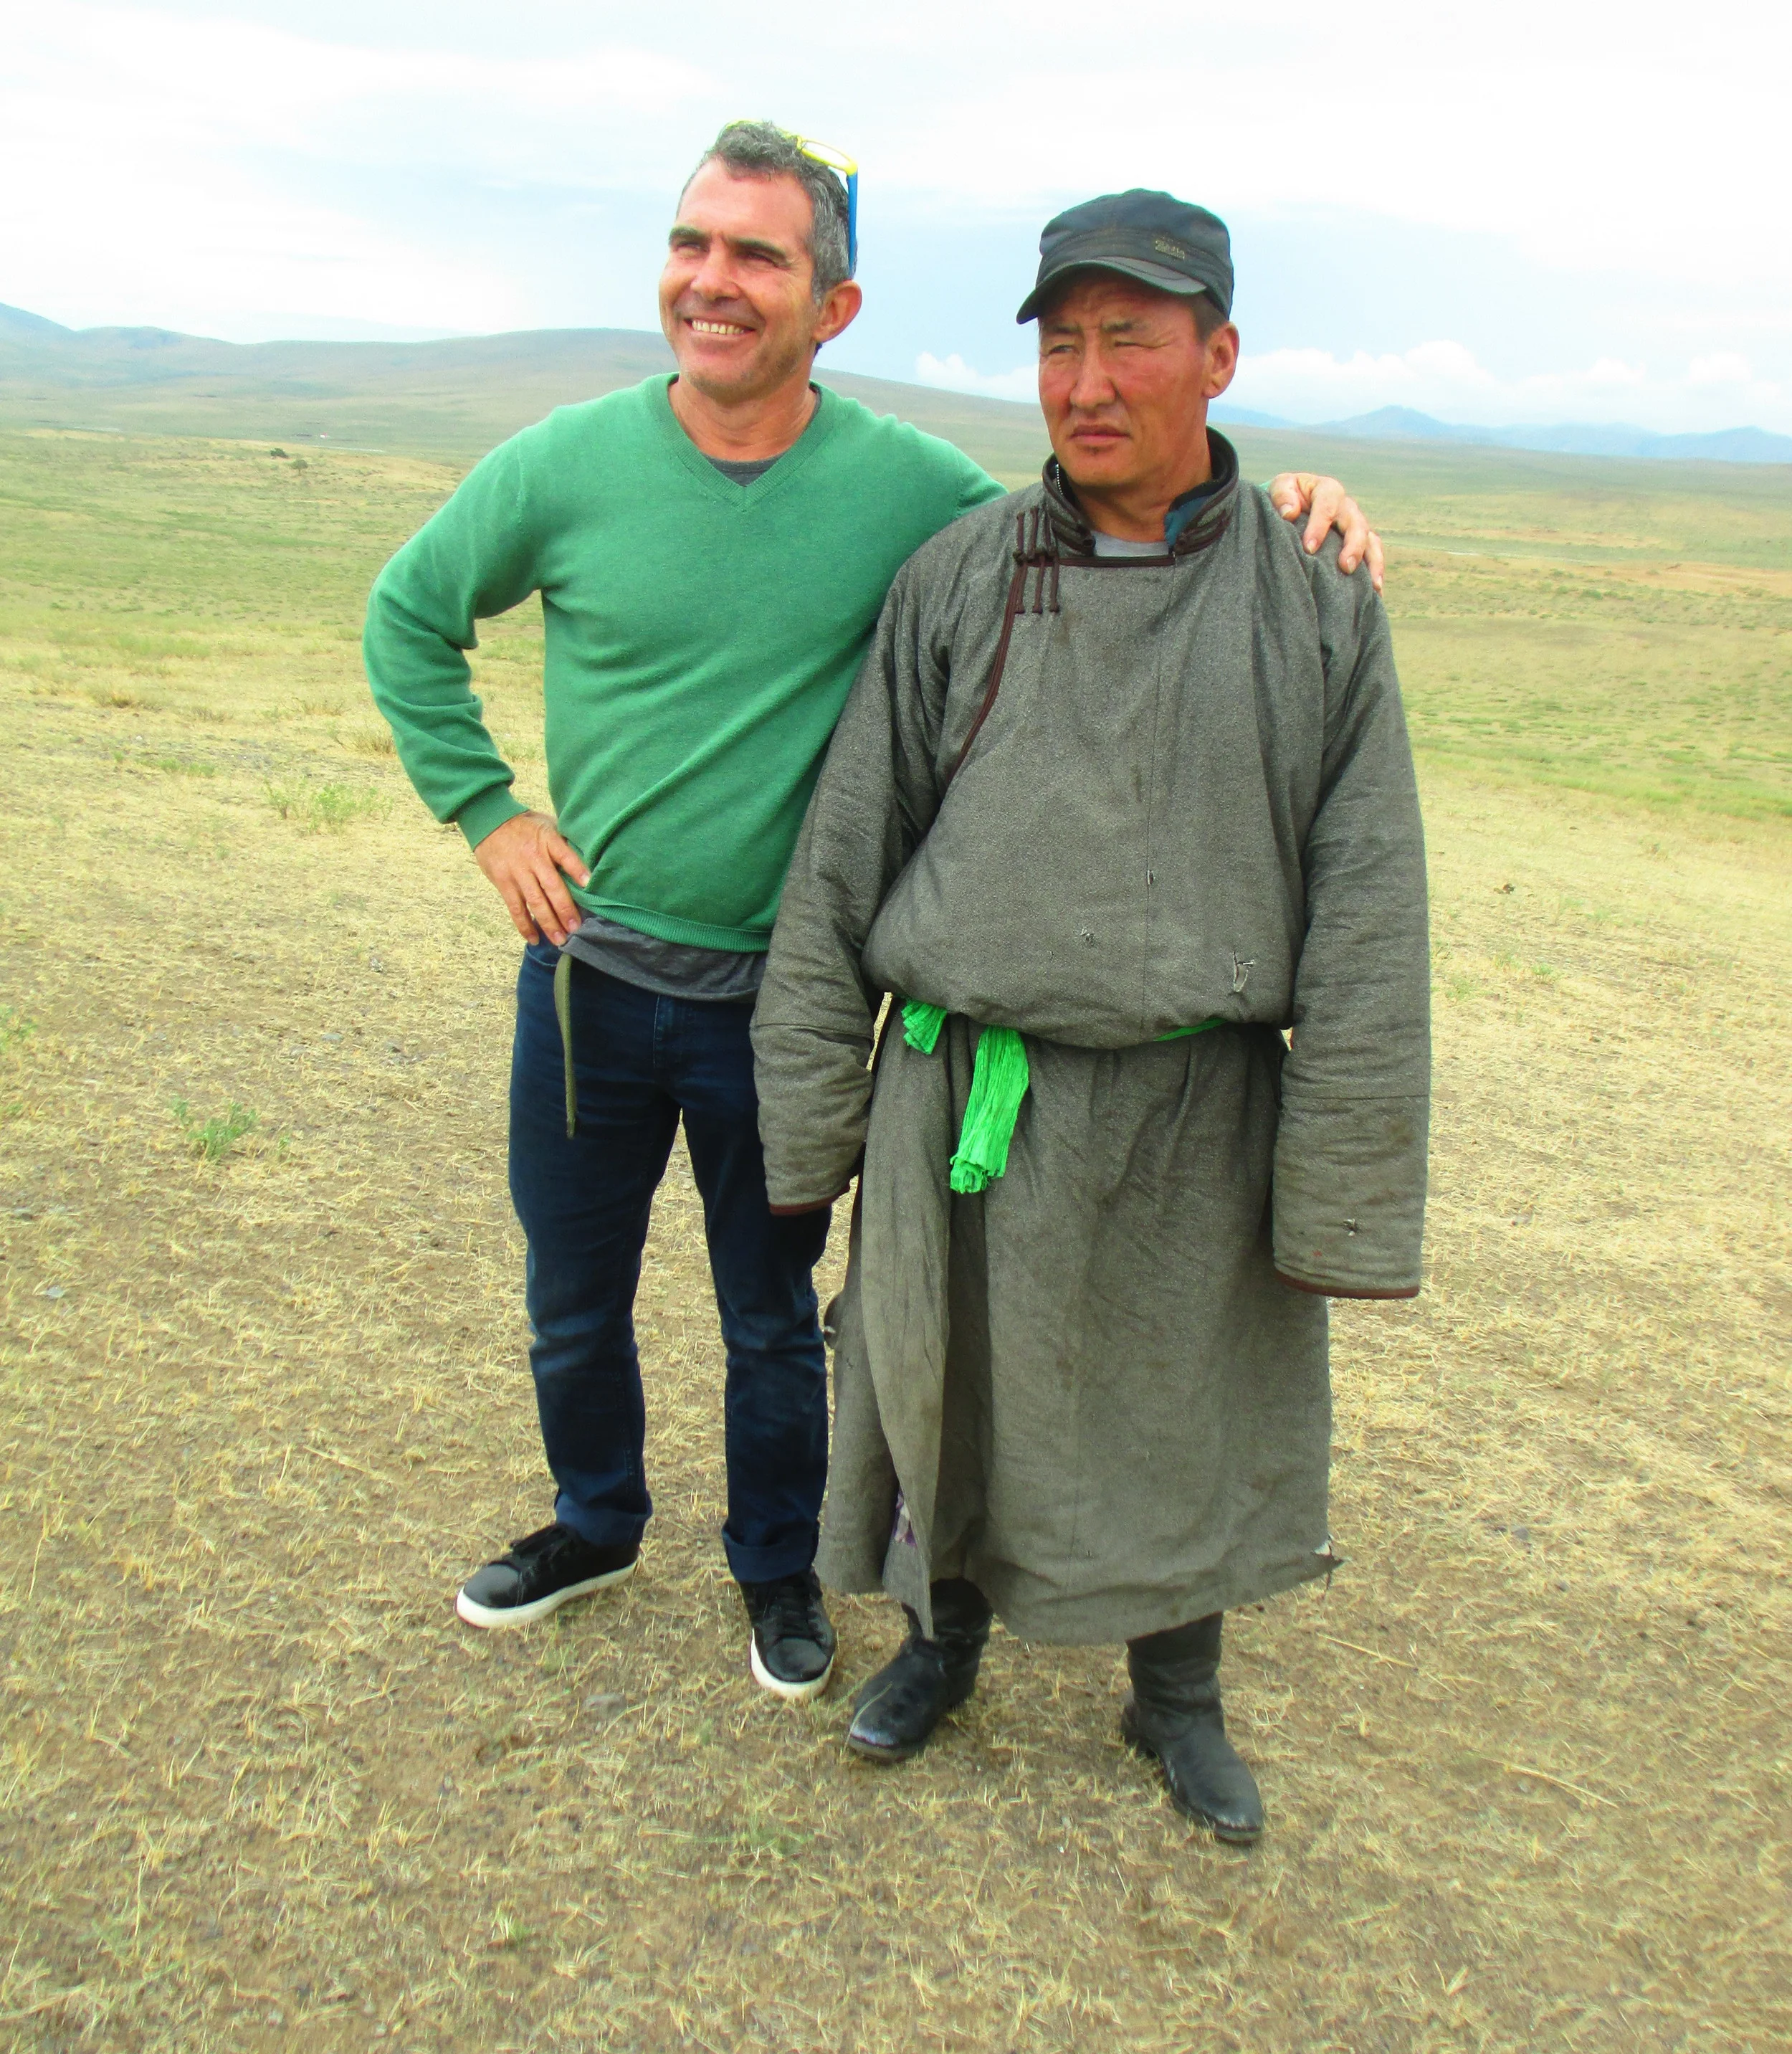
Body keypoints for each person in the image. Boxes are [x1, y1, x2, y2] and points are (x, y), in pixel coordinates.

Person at [365, 129, 1388, 1708]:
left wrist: (1292, 503)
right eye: (693, 243)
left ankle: (798, 1575)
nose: (714, 281)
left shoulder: (914, 496)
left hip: (812, 1001)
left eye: (758, 255)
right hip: (594, 981)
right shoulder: (576, 467)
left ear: (832, 307)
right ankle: (604, 1528)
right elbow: (408, 618)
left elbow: (1118, 533)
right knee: (597, 1304)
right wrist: (488, 810)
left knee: (793, 1325)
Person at [751, 189, 1429, 1836]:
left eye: (1131, 337)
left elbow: (1365, 916)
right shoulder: (956, 578)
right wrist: (805, 1133)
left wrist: (1335, 1198)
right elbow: (844, 863)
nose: (1088, 380)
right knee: (937, 1375)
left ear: (1217, 355)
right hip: (963, 1092)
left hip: (1191, 1107)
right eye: (1061, 344)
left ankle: (1172, 1698)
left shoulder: (1315, 602)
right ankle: (940, 1642)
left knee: (1177, 1394)